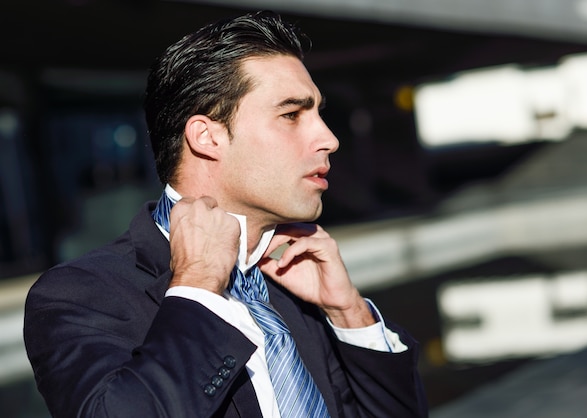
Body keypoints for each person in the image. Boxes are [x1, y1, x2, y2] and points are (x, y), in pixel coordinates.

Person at [24, 10, 428, 418]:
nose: (329, 138)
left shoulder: (298, 287)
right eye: (291, 114)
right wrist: (198, 284)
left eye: (319, 113)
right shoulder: (80, 294)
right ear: (207, 137)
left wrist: (348, 313)